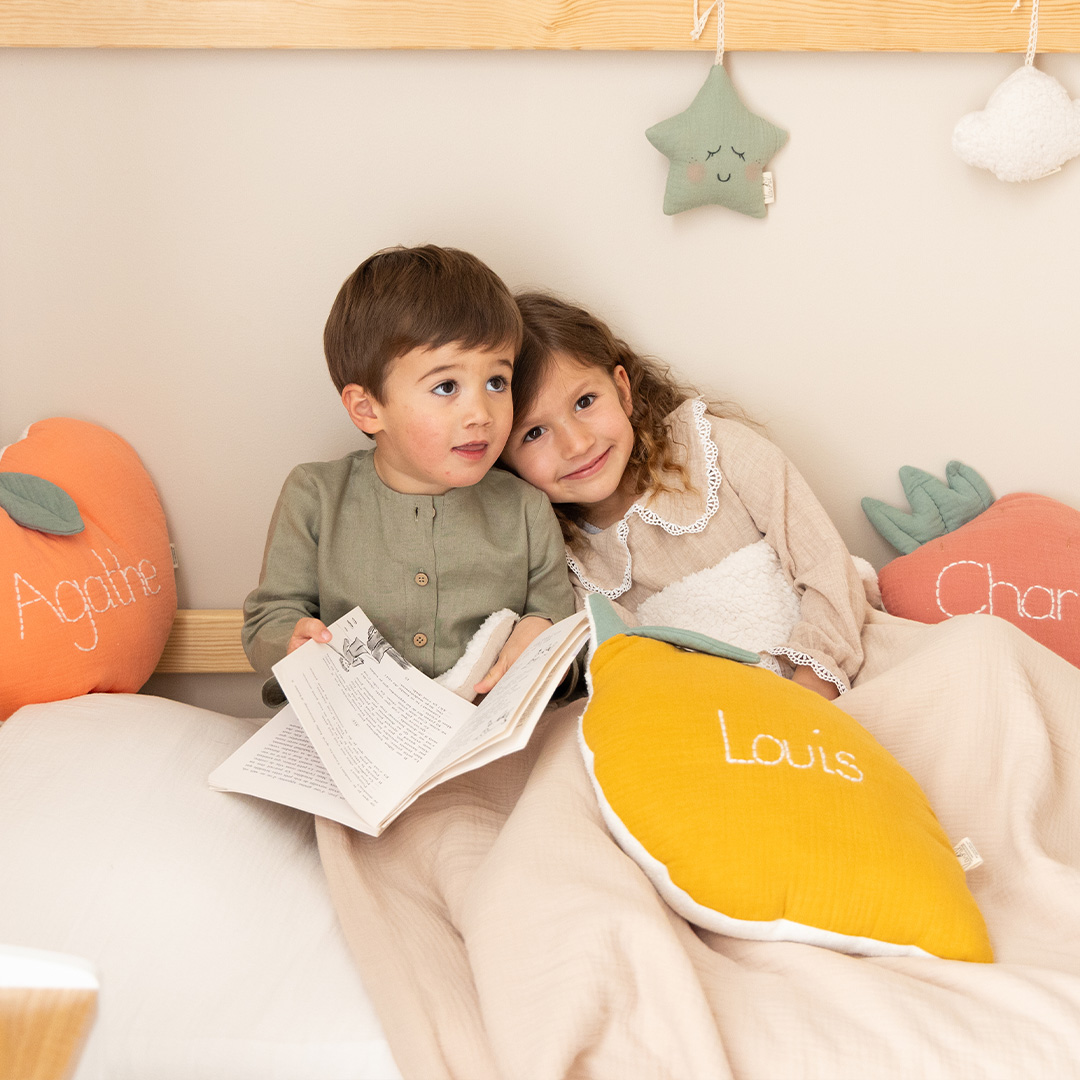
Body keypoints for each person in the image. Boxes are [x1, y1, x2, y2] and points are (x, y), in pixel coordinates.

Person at [243, 248, 576, 706]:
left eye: (497, 382)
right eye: (446, 386)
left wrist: (541, 634)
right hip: (353, 722)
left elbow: (558, 622)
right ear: (368, 408)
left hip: (482, 724)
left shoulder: (525, 507)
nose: (481, 413)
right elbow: (269, 617)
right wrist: (290, 640)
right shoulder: (315, 494)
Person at [500, 292, 869, 700]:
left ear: (622, 390)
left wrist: (810, 690)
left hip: (827, 678)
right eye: (534, 433)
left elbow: (827, 568)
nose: (577, 444)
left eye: (585, 402)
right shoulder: (558, 558)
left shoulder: (713, 450)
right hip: (710, 710)